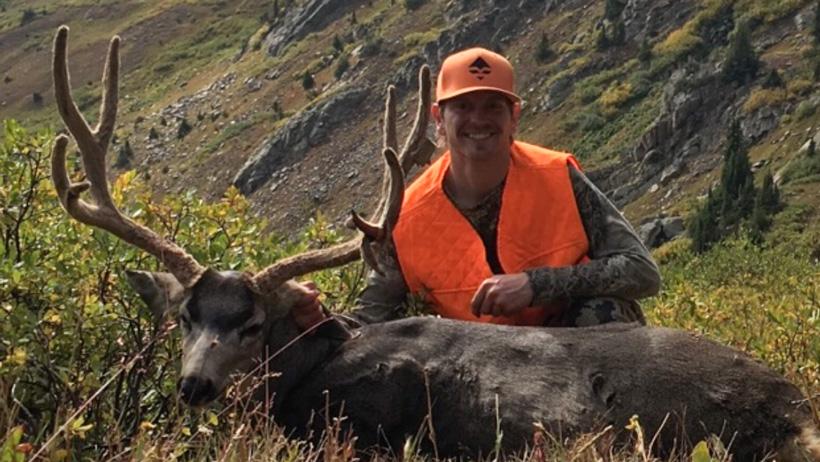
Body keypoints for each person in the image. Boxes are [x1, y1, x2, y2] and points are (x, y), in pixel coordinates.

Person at [292, 47, 660, 330]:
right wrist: (316, 317)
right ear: (438, 118)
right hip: (480, 370)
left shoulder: (559, 176)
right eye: (463, 107)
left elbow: (642, 271)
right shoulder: (406, 215)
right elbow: (369, 321)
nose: (479, 120)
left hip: (572, 345)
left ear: (514, 115)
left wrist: (536, 285)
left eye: (493, 107)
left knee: (605, 313)